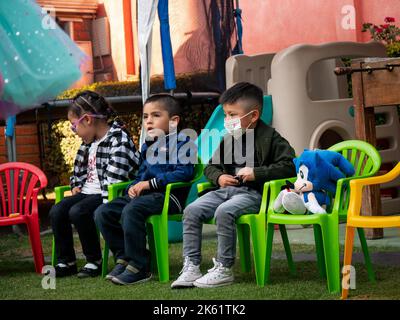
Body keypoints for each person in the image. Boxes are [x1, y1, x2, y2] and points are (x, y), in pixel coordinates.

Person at [171, 82, 296, 289]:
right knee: (192, 210)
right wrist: (219, 177)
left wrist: (257, 173)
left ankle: (224, 268)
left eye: (232, 115)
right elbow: (210, 167)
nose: (227, 121)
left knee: (224, 211)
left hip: (255, 195)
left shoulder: (271, 138)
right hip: (225, 190)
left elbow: (290, 165)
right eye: (226, 115)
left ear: (253, 116)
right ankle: (191, 266)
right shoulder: (229, 139)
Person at [95, 94, 196, 285]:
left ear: (174, 121)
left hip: (168, 197)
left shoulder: (184, 142)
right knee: (103, 212)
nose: (149, 121)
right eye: (145, 116)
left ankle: (140, 266)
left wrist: (149, 184)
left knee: (131, 210)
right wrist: (134, 187)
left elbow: (184, 173)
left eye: (155, 115)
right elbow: (141, 174)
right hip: (145, 196)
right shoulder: (147, 145)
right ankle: (124, 256)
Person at [50, 90, 139, 278]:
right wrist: (75, 184)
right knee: (57, 210)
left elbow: (115, 180)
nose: (74, 132)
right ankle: (66, 261)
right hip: (88, 193)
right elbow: (79, 171)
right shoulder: (88, 143)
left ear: (88, 120)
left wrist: (105, 212)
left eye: (74, 126)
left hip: (110, 194)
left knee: (78, 211)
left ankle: (94, 260)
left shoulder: (118, 139)